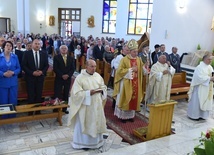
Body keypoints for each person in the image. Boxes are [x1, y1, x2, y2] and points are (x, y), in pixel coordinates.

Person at [67, 59, 107, 150]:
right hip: (85, 106)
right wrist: (88, 93)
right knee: (85, 124)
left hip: (96, 105)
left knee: (96, 122)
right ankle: (83, 144)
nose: (94, 68)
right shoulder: (80, 78)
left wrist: (102, 90)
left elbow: (103, 86)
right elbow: (75, 94)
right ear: (86, 66)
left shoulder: (98, 76)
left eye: (95, 66)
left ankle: (97, 142)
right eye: (92, 66)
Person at [113, 39, 144, 123]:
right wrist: (130, 69)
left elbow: (140, 69)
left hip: (136, 82)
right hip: (126, 83)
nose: (136, 53)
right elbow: (119, 71)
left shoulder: (138, 59)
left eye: (137, 52)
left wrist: (143, 69)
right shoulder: (124, 59)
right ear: (130, 51)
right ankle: (122, 117)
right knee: (126, 98)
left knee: (133, 99)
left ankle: (130, 116)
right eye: (134, 52)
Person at [187, 53, 214, 120]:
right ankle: (194, 116)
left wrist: (212, 78)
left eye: (211, 59)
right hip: (199, 88)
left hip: (207, 88)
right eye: (209, 59)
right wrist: (210, 79)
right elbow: (199, 78)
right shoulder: (199, 67)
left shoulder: (210, 67)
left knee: (206, 101)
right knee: (197, 102)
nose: (210, 61)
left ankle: (203, 116)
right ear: (204, 59)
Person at [22, 39, 49, 103]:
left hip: (40, 77)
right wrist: (32, 72)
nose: (37, 45)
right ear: (32, 44)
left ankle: (38, 111)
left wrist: (42, 72)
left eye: (38, 44)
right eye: (35, 44)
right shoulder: (27, 53)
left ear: (40, 45)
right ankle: (30, 112)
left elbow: (46, 65)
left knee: (39, 95)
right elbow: (23, 65)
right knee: (31, 95)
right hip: (30, 78)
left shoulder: (44, 53)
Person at [0, 41, 20, 118]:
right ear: (4, 47)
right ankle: (4, 117)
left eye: (10, 46)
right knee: (3, 100)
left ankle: (12, 116)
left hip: (13, 82)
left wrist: (13, 72)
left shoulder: (15, 57)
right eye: (7, 45)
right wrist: (3, 74)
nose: (9, 47)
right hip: (2, 82)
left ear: (12, 48)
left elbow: (19, 68)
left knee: (13, 100)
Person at [53, 45, 75, 114]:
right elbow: (55, 68)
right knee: (57, 93)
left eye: (65, 48)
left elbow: (72, 68)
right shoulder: (56, 57)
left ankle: (64, 108)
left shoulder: (71, 58)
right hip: (59, 78)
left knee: (66, 93)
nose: (64, 50)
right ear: (60, 50)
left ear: (67, 50)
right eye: (62, 48)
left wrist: (68, 75)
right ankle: (56, 108)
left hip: (68, 78)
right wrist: (62, 75)